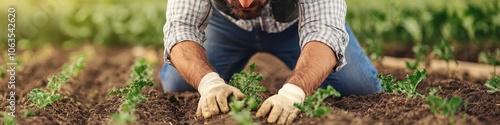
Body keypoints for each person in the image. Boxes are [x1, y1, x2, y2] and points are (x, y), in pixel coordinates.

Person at [159, 0, 382, 124]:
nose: (245, 3)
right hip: (225, 27)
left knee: (360, 87)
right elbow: (181, 27)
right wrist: (208, 83)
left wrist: (294, 93)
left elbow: (323, 29)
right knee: (178, 85)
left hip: (296, 26)